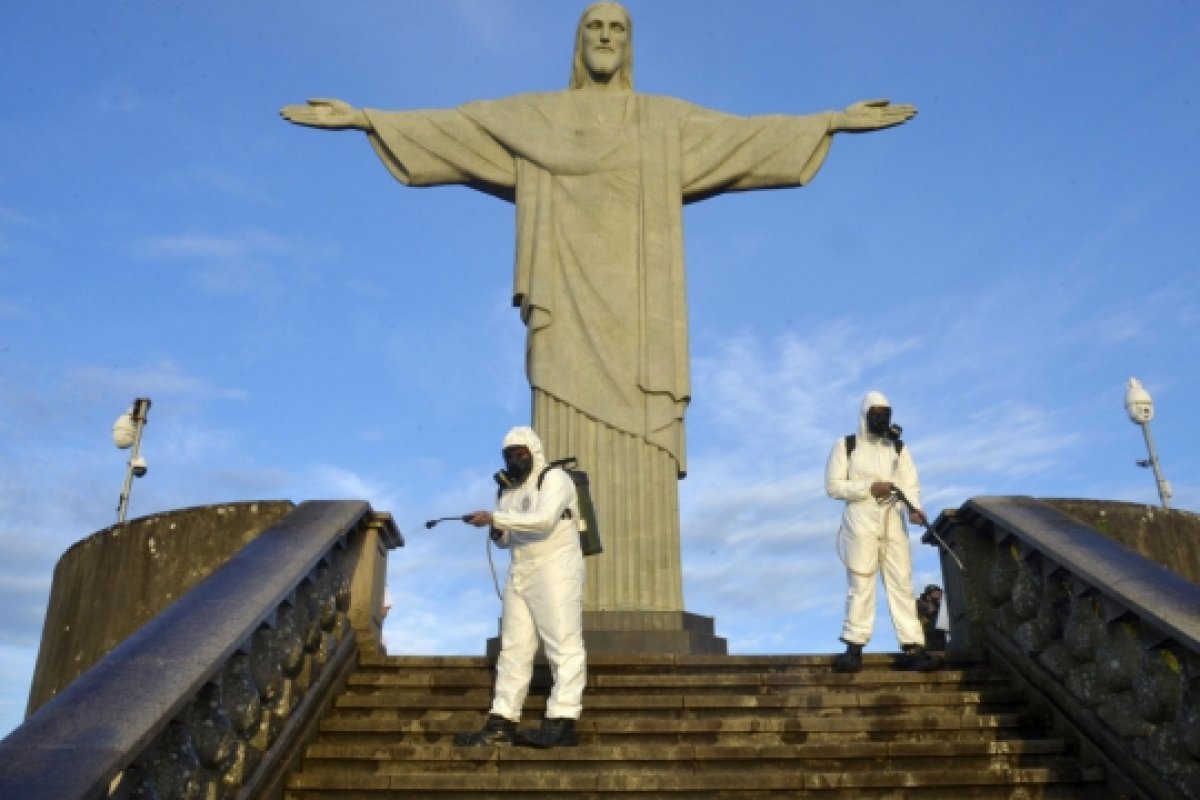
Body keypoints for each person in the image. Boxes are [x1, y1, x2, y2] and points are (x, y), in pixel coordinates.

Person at [281, 3, 917, 620]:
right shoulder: (537, 119)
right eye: (595, 27)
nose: (607, 36)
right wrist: (366, 118)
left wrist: (829, 121)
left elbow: (745, 136)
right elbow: (459, 127)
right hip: (565, 311)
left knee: (638, 446)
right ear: (578, 42)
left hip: (644, 321)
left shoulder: (663, 123)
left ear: (631, 43)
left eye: (619, 27)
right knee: (561, 454)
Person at [453, 426, 586, 748]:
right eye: (509, 455)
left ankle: (562, 719)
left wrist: (496, 519)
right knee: (513, 648)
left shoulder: (554, 479)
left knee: (562, 643)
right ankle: (503, 720)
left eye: (521, 453)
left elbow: (543, 520)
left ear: (534, 452)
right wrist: (497, 530)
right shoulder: (509, 491)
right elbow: (507, 538)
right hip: (520, 569)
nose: (515, 460)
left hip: (555, 566)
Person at [825, 391, 938, 672]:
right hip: (860, 518)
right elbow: (833, 486)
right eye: (875, 412)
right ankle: (854, 647)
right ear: (864, 414)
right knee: (861, 582)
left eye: (885, 413)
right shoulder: (846, 445)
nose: (881, 418)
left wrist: (914, 508)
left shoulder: (898, 448)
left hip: (892, 518)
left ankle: (913, 646)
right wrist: (867, 488)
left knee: (902, 582)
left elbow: (909, 483)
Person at [916, 584, 947, 651]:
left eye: (939, 592)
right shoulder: (920, 604)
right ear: (928, 596)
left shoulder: (940, 605)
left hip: (939, 637)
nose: (939, 594)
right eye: (935, 592)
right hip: (927, 634)